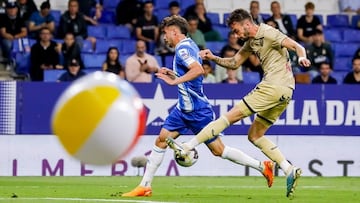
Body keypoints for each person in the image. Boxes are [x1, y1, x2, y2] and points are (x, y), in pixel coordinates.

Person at [121, 15, 274, 197]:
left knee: (219, 151)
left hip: (197, 110)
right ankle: (145, 186)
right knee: (161, 140)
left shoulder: (183, 49)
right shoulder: (189, 45)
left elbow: (198, 70)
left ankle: (262, 166)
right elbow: (191, 72)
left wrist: (175, 81)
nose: (164, 37)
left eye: (165, 33)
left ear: (174, 32)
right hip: (183, 109)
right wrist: (173, 73)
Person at [167, 9, 311, 199]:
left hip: (273, 86)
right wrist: (213, 58)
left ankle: (188, 146)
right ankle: (288, 168)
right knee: (255, 135)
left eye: (236, 30)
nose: (235, 35)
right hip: (285, 92)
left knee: (228, 117)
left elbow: (296, 46)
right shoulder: (251, 42)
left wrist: (301, 57)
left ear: (246, 24)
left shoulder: (268, 32)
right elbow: (235, 63)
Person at [0, 1, 27, 68]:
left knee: (25, 46)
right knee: (9, 45)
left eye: (14, 8)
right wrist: (10, 37)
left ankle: (21, 63)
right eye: (10, 8)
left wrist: (16, 36)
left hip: (18, 38)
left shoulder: (20, 19)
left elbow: (24, 32)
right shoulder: (3, 18)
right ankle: (10, 62)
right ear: (6, 10)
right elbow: (3, 33)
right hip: (7, 38)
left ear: (17, 9)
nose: (12, 10)